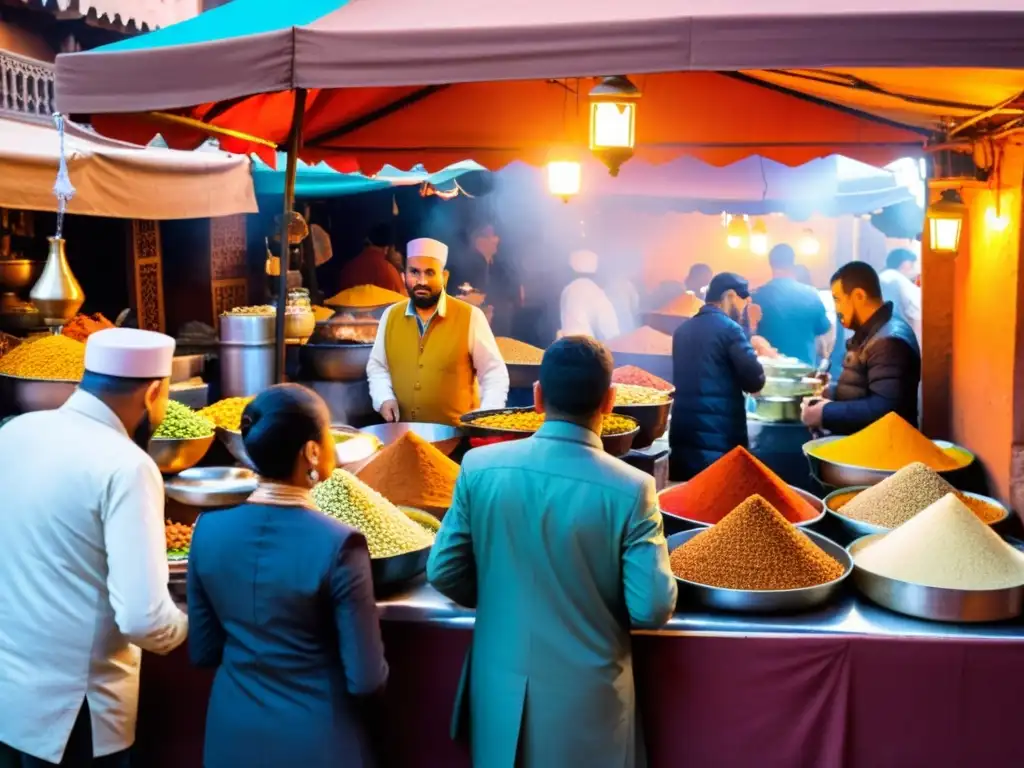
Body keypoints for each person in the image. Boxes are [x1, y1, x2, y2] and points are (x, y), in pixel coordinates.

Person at [428, 336, 677, 768]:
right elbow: (652, 606)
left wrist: (500, 595)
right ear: (610, 402)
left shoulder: (479, 468)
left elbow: (445, 571)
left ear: (538, 397)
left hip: (499, 695)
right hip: (589, 707)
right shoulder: (632, 488)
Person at [0, 328, 188, 768]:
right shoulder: (127, 466)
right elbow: (143, 619)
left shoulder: (14, 433)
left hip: (11, 699)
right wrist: (191, 624)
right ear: (154, 391)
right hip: (75, 715)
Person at [187, 384, 387, 768]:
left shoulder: (207, 532)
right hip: (315, 741)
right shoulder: (340, 544)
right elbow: (366, 679)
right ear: (312, 451)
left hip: (231, 737)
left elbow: (203, 651)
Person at [367, 237, 509, 425]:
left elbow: (494, 373)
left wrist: (485, 419)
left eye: (430, 273)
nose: (422, 281)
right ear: (404, 275)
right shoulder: (390, 316)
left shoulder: (470, 316)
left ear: (444, 276)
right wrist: (384, 398)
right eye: (414, 272)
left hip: (458, 439)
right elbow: (377, 366)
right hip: (403, 436)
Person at [801, 261, 921, 434]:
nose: (837, 309)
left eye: (838, 300)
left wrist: (825, 413)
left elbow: (886, 410)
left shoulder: (889, 342)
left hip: (881, 452)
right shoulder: (875, 331)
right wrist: (832, 393)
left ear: (858, 296)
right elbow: (863, 390)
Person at [669, 273, 766, 480]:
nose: (742, 311)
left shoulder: (682, 330)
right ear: (730, 296)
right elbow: (754, 380)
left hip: (682, 439)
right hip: (719, 443)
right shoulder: (731, 330)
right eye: (743, 303)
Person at [753, 244, 833, 366]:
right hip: (804, 374)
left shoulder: (757, 297)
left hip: (769, 374)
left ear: (771, 264)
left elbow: (749, 335)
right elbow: (824, 329)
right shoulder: (810, 294)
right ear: (793, 263)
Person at [451, 223, 522, 337]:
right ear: (479, 240)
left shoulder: (500, 268)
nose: (497, 240)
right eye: (491, 236)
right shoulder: (464, 268)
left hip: (500, 335)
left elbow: (516, 298)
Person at [559, 249, 621, 340]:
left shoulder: (567, 290)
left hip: (566, 346)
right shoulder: (596, 292)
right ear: (595, 273)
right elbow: (609, 330)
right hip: (588, 348)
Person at [333, 222, 407, 297]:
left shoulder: (348, 268)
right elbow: (403, 303)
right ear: (389, 248)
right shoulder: (388, 271)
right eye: (396, 250)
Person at [878, 247, 922, 344]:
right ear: (905, 264)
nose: (914, 267)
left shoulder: (880, 277)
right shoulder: (898, 279)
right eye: (912, 263)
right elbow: (916, 312)